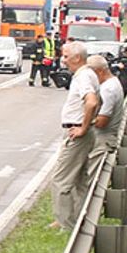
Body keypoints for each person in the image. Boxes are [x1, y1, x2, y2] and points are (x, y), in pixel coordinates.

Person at [49, 40, 100, 230]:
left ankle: (67, 224)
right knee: (79, 181)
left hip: (77, 133)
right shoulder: (88, 74)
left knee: (60, 180)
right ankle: (81, 219)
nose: (63, 61)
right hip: (82, 132)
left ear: (77, 58)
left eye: (66, 56)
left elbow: (92, 102)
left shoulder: (83, 77)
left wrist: (83, 128)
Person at [82, 54, 125, 187]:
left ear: (100, 71)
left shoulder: (108, 89)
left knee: (91, 182)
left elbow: (102, 121)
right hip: (104, 138)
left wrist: (86, 122)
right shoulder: (113, 83)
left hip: (102, 140)